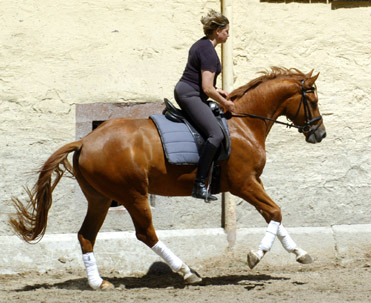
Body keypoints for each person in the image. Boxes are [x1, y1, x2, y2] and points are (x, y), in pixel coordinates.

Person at [174, 9, 235, 201]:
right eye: (226, 31)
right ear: (217, 31)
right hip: (190, 94)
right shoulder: (209, 52)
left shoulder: (201, 45)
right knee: (215, 134)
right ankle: (199, 184)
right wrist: (225, 102)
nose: (228, 34)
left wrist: (219, 91)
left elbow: (208, 85)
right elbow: (207, 88)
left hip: (189, 90)